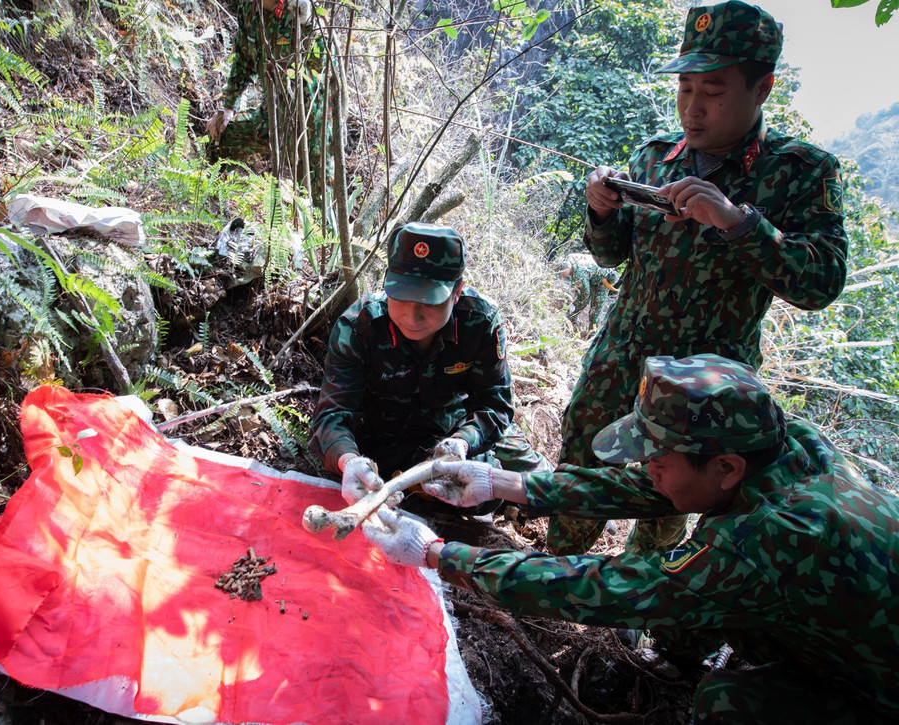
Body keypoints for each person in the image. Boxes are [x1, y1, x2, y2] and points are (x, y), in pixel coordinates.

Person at [362, 353, 899, 723]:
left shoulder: (771, 542)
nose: (648, 468)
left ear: (727, 467)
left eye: (657, 458)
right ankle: (682, 656)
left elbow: (610, 586)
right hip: (840, 630)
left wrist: (438, 553)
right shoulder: (784, 445)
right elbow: (650, 488)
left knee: (728, 702)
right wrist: (505, 483)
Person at [552, 0, 849, 556]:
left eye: (712, 92)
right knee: (579, 472)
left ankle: (642, 615)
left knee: (671, 501)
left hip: (706, 389)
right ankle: (555, 579)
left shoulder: (800, 171)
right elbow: (611, 256)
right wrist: (601, 211)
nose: (693, 108)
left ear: (762, 90)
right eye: (685, 88)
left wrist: (740, 224)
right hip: (620, 360)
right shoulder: (655, 158)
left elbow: (823, 282)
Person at [308, 221, 549, 505]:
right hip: (387, 437)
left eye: (430, 301)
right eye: (402, 296)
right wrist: (348, 460)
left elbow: (494, 406)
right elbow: (332, 416)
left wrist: (461, 442)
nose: (413, 316)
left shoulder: (479, 322)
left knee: (539, 481)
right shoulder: (360, 326)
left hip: (456, 428)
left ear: (456, 292)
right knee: (469, 494)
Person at [207, 0, 324, 184]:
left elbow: (322, 65)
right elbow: (244, 60)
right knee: (222, 137)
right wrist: (229, 105)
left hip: (309, 124)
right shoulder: (249, 7)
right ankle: (213, 203)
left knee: (314, 198)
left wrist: (310, 24)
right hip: (270, 116)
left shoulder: (300, 8)